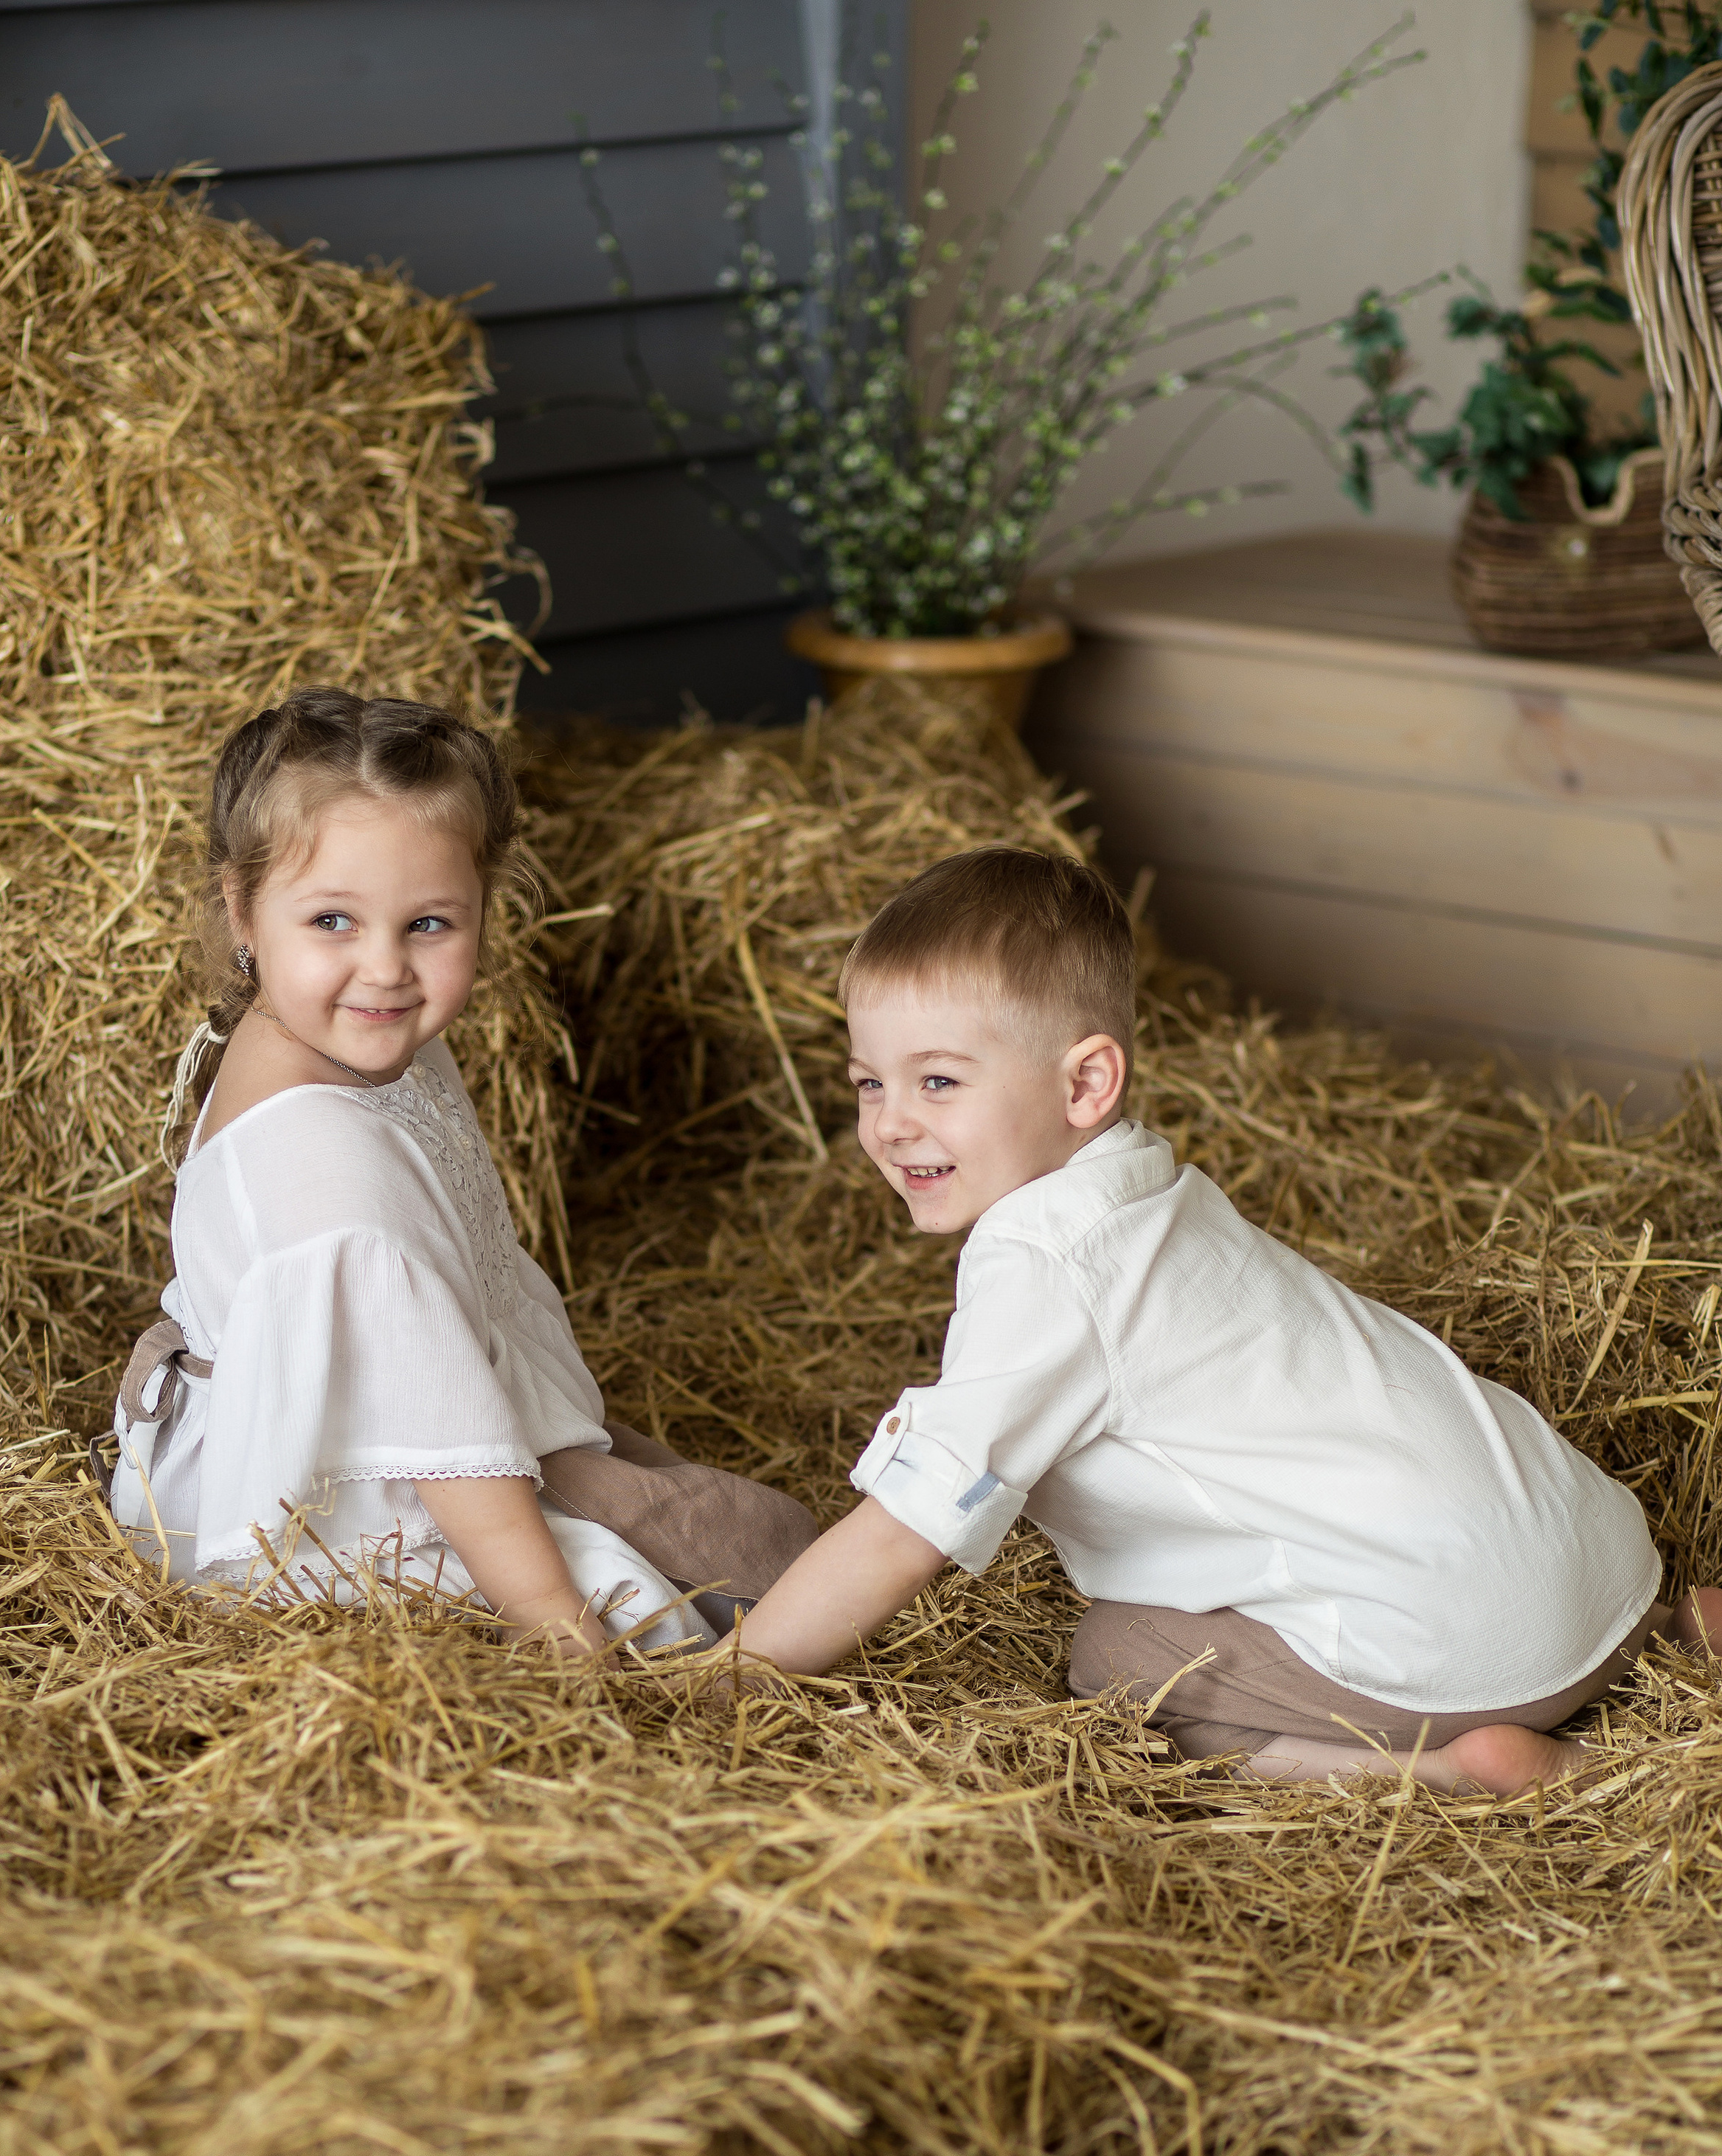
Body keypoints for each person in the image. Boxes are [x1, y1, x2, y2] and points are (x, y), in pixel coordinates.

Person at [734, 845, 1718, 1791]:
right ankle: (1682, 1636)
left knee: (1123, 1660)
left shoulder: (1046, 1268)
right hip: (1606, 1569)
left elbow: (906, 1530)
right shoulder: (1155, 1195)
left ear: (1086, 1083)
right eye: (870, 1082)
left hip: (1464, 1664)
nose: (889, 1122)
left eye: (937, 1081)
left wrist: (732, 1678)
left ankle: (1444, 1771)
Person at [107, 689, 811, 1646]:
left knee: (762, 1534)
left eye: (429, 924)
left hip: (410, 1411)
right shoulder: (333, 1187)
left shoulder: (344, 1036)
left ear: (485, 907)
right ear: (243, 911)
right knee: (686, 1606)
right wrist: (560, 1626)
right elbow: (456, 1458)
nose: (386, 968)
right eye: (332, 922)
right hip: (317, 1495)